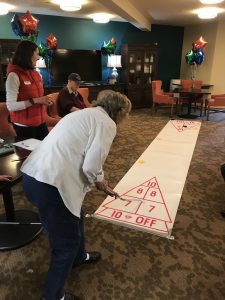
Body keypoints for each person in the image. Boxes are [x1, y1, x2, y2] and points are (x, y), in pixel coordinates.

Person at [21, 90, 131, 300]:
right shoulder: (107, 123)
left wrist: (99, 177)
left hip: (32, 177)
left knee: (76, 213)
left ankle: (80, 257)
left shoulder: (82, 114)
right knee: (65, 245)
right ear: (119, 112)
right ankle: (53, 296)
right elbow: (91, 165)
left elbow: (88, 158)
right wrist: (99, 181)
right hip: (51, 185)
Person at [6, 40, 53, 141]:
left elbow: (39, 97)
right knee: (28, 156)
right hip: (23, 127)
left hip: (41, 123)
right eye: (36, 53)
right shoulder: (13, 76)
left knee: (44, 152)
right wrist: (36, 101)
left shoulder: (36, 74)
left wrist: (45, 101)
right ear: (28, 55)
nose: (38, 57)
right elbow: (11, 106)